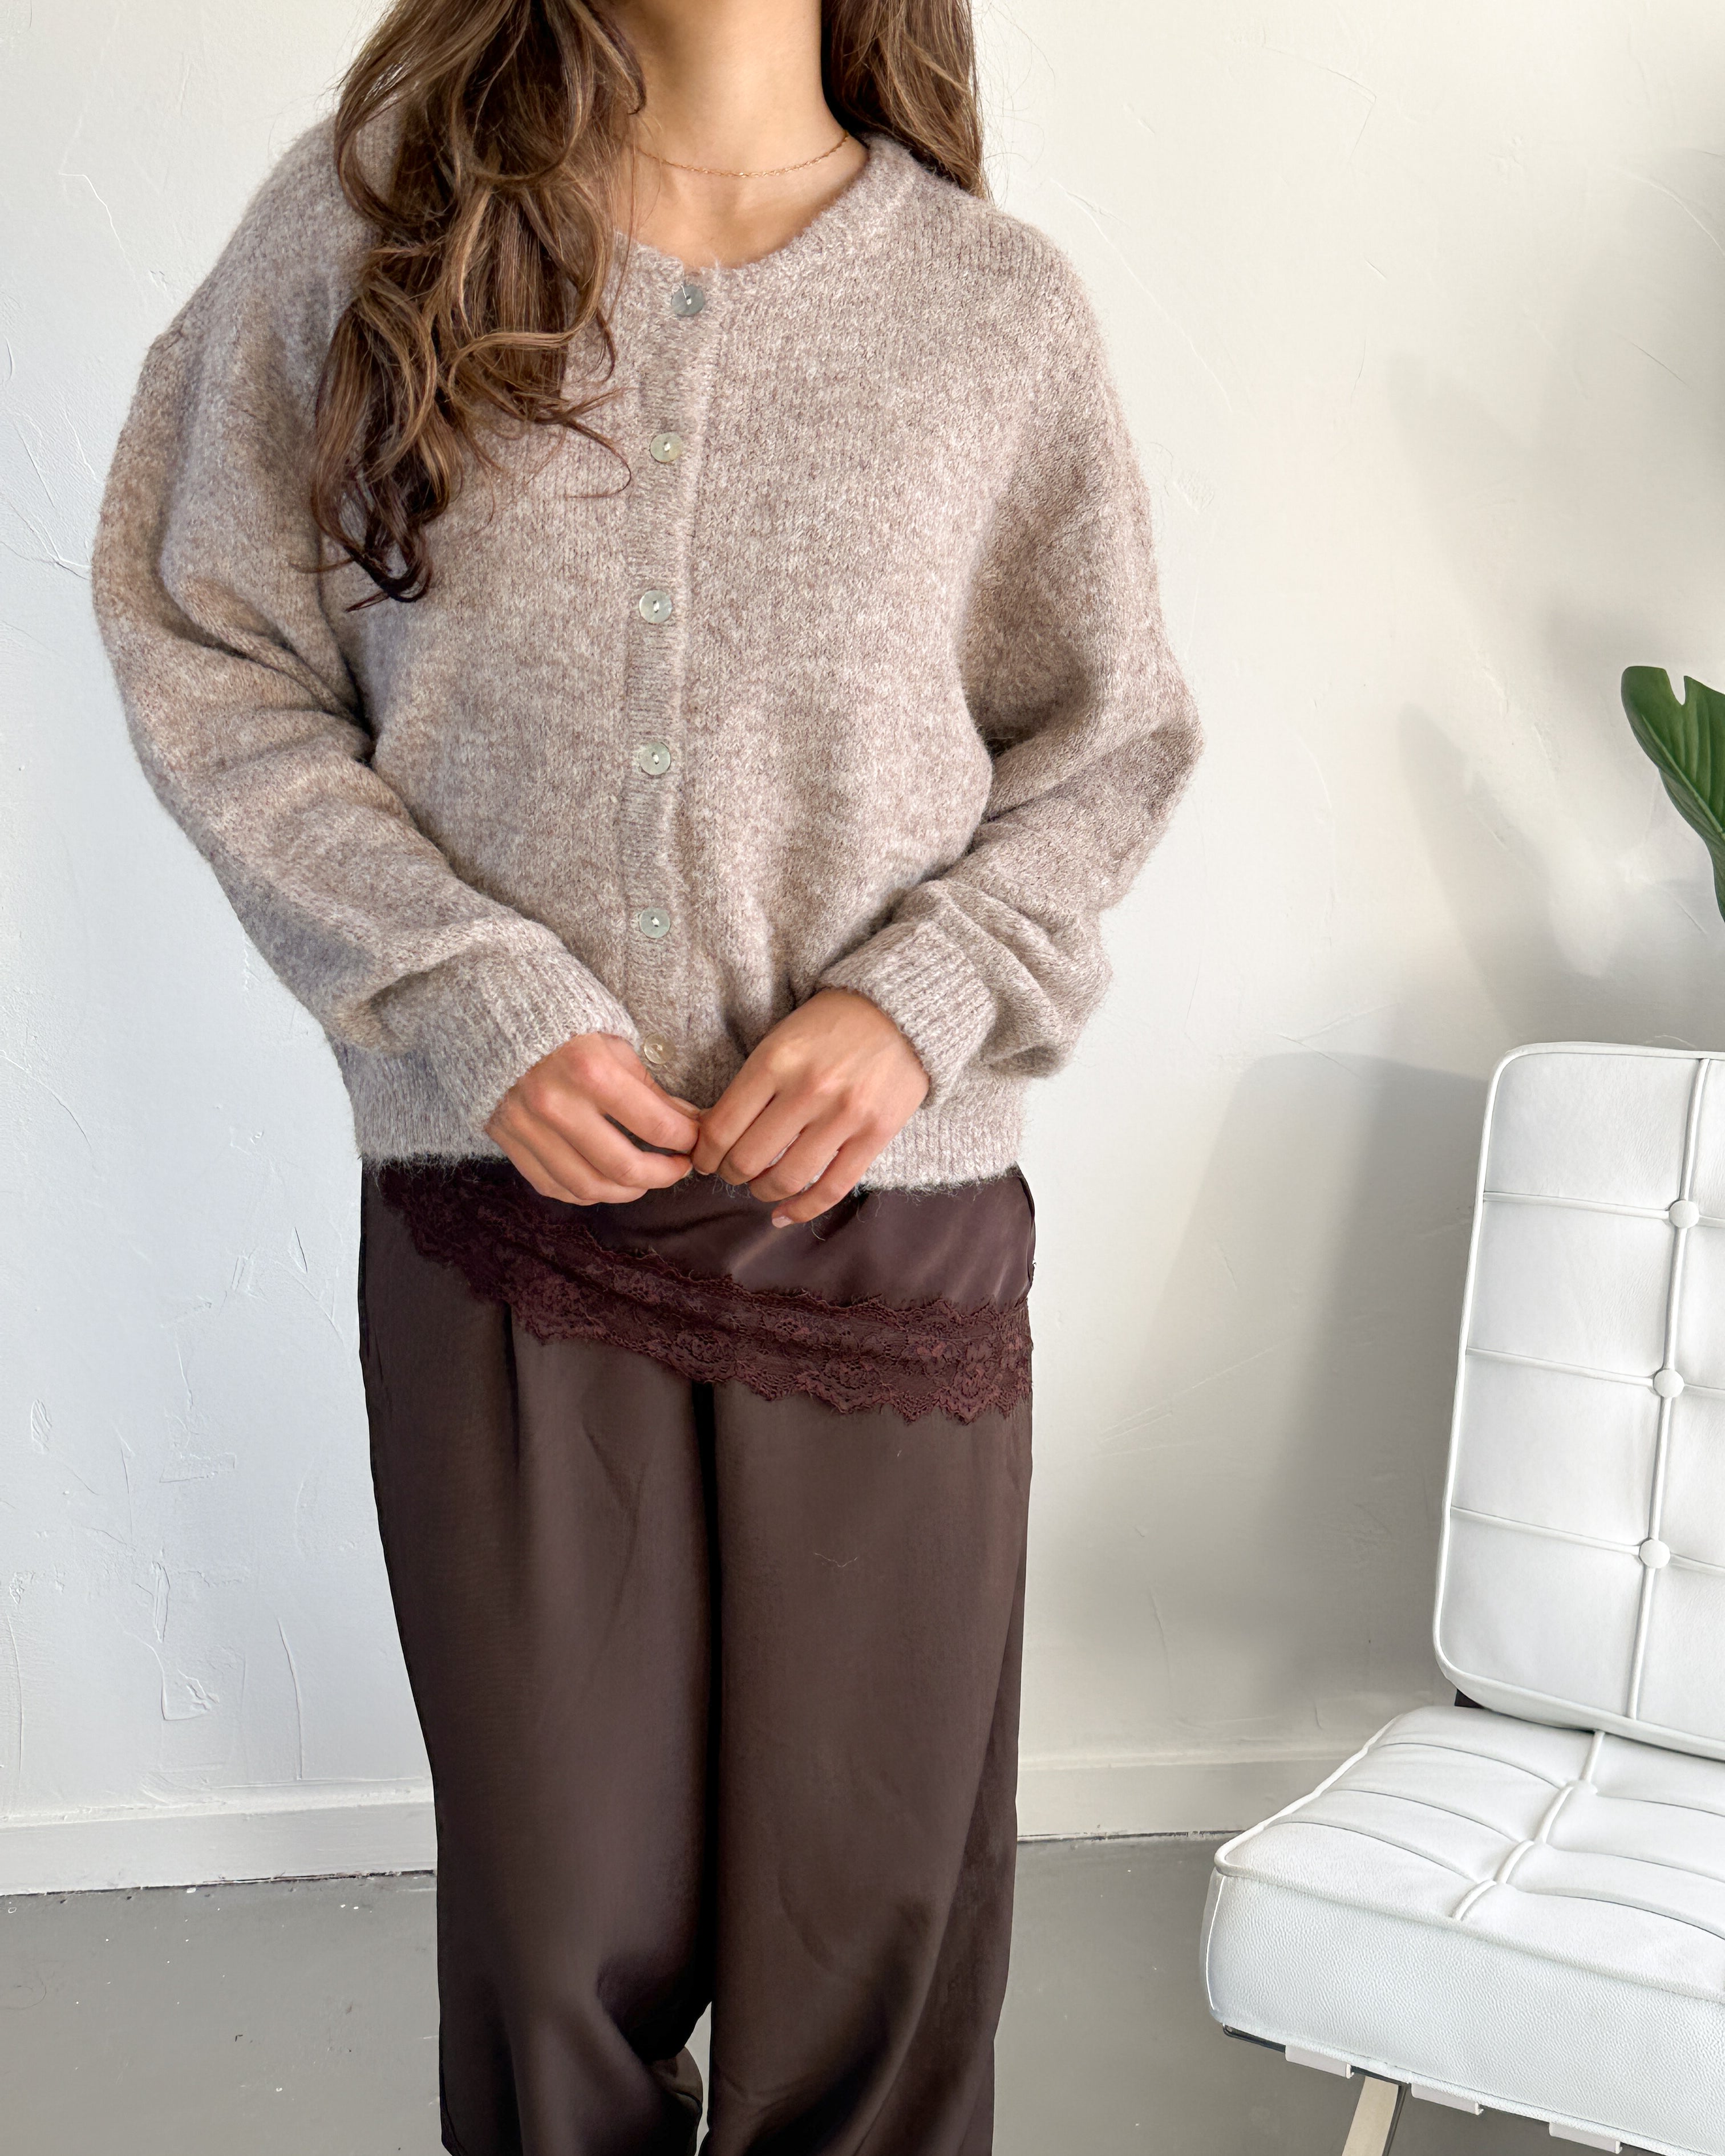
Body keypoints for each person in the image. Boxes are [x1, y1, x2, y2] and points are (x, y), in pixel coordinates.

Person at [90, 1, 1202, 2149]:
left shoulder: (993, 312)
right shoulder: (374, 236)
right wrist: (469, 989)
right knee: (554, 1930)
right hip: (511, 1220)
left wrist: (925, 995)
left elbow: (1111, 740)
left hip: (888, 1230)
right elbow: (206, 641)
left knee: (871, 1933)